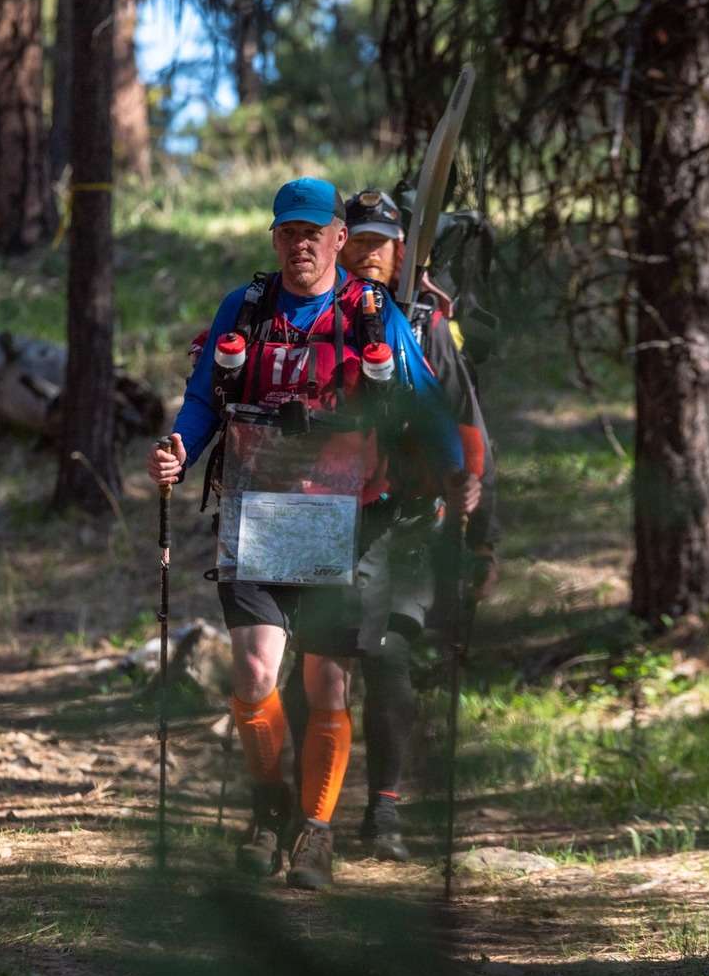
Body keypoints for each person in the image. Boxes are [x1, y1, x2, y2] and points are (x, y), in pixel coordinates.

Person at [148, 177, 476, 891]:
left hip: (343, 520)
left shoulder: (371, 313)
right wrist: (180, 448)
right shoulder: (246, 308)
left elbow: (424, 400)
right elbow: (205, 398)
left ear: (338, 238)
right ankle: (270, 809)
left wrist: (455, 472)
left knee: (327, 682)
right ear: (275, 239)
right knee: (254, 673)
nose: (301, 244)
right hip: (256, 513)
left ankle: (316, 833)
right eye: (288, 232)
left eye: (313, 233)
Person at [283, 188, 498, 861]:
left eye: (383, 244)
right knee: (313, 665)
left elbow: (466, 427)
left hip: (406, 520)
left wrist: (481, 529)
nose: (370, 256)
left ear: (402, 251)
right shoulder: (315, 316)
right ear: (340, 244)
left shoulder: (427, 327)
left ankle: (384, 812)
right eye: (362, 243)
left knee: (388, 657)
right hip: (323, 512)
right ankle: (298, 810)